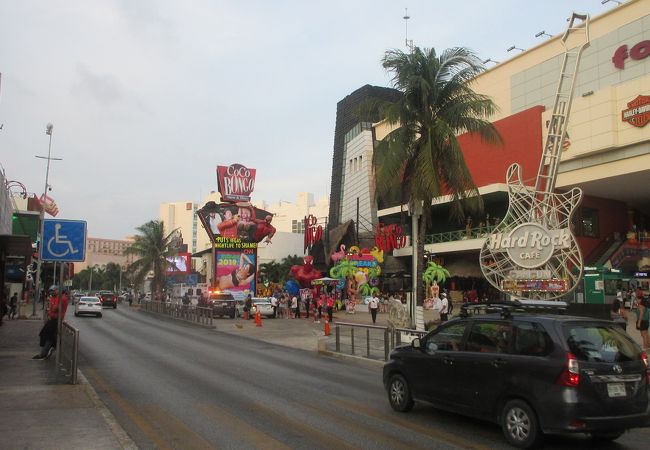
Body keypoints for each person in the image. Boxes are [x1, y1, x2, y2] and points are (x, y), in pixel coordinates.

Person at [33, 287, 68, 360]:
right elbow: (51, 308)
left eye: (53, 291)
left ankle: (44, 353)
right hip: (52, 319)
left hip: (55, 320)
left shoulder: (61, 298)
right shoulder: (55, 298)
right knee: (48, 335)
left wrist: (51, 309)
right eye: (51, 291)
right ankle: (50, 349)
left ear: (58, 290)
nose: (51, 293)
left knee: (48, 336)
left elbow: (55, 308)